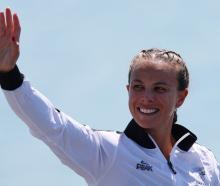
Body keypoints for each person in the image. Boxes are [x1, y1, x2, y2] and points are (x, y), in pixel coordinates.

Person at [0, 8, 219, 186]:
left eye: (159, 89)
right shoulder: (108, 152)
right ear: (128, 90)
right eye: (138, 87)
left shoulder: (203, 160)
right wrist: (9, 73)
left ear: (181, 97)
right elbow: (52, 126)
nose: (146, 97)